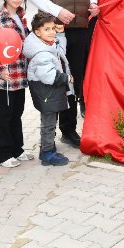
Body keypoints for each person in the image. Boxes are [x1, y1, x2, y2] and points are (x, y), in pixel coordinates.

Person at [27, 0, 99, 149]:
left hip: (81, 31)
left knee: (74, 80)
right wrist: (57, 11)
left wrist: (95, 4)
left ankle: (68, 130)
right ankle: (50, 131)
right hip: (54, 34)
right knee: (57, 81)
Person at [0, 0, 32, 168]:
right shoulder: (1, 18)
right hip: (7, 72)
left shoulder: (20, 16)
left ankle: (16, 148)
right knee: (5, 112)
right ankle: (2, 154)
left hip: (19, 71)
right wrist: (0, 69)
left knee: (17, 111)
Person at [22, 11, 73, 166]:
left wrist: (61, 35)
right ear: (37, 32)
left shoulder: (48, 44)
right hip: (47, 93)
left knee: (49, 122)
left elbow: (60, 50)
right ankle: (47, 154)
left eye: (52, 28)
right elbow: (49, 77)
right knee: (48, 124)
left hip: (49, 93)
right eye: (47, 29)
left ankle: (47, 147)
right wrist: (67, 78)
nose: (51, 32)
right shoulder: (41, 54)